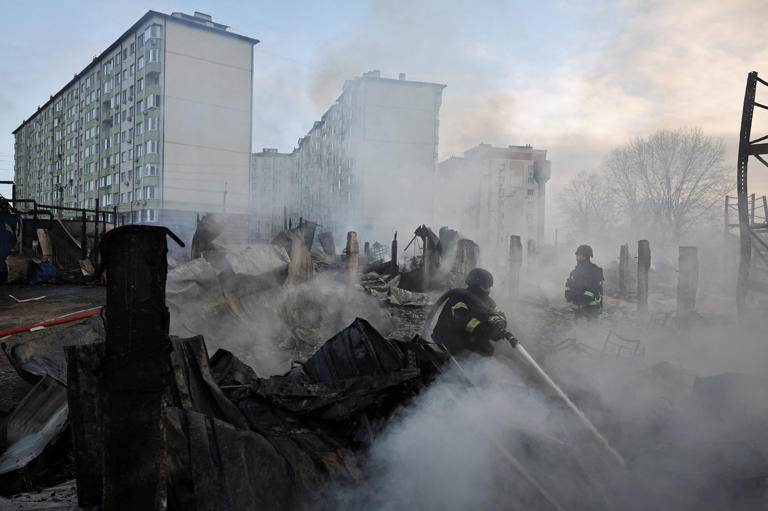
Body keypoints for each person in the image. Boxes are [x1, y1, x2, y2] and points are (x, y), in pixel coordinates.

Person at [430, 268, 511, 356]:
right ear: (475, 285)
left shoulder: (486, 300)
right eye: (485, 287)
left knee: (488, 350)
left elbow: (499, 313)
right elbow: (463, 322)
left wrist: (501, 324)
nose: (488, 290)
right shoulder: (458, 298)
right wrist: (487, 331)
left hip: (469, 337)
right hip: (449, 341)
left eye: (489, 287)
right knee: (482, 353)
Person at [565, 244, 604, 320]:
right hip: (578, 309)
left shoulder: (595, 270)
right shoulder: (575, 272)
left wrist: (584, 299)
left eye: (578, 255)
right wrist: (568, 293)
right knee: (579, 329)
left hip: (591, 309)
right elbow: (569, 283)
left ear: (585, 256)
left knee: (591, 330)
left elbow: (595, 288)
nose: (576, 257)